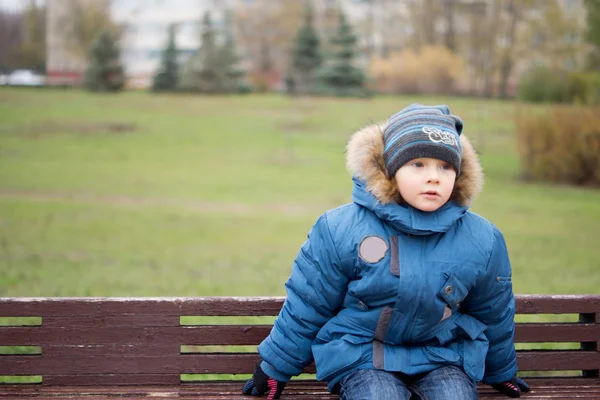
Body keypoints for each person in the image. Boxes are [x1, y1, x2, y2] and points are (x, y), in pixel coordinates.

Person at [242, 104, 530, 399]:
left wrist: (501, 370)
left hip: (442, 356)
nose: (434, 177)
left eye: (445, 166)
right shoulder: (340, 229)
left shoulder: (482, 238)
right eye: (417, 164)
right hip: (362, 356)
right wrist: (276, 366)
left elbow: (493, 310)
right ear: (390, 170)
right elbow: (309, 303)